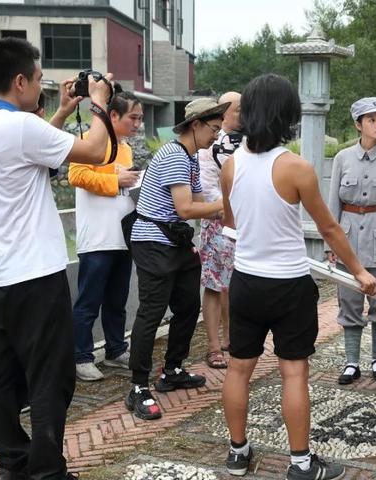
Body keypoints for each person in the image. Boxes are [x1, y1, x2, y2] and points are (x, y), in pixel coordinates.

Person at [0, 37, 115, 480]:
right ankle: (48, 472)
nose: (40, 85)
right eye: (37, 79)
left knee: (6, 377)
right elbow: (97, 152)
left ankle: (13, 463)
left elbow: (32, 145)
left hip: (2, 277)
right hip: (39, 276)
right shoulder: (22, 129)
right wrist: (99, 104)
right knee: (52, 377)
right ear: (19, 80)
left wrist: (65, 111)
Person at [220, 74, 376, 480]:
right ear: (287, 116)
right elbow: (329, 228)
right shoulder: (296, 168)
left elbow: (231, 221)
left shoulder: (231, 166)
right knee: (294, 371)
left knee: (239, 368)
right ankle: (301, 464)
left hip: (246, 281)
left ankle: (238, 454)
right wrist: (359, 272)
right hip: (289, 284)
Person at [125, 98, 228, 421]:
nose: (216, 136)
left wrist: (225, 202)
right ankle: (138, 386)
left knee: (187, 306)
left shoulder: (193, 158)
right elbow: (186, 209)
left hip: (177, 241)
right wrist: (228, 204)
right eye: (213, 129)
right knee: (152, 312)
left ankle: (172, 370)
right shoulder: (173, 157)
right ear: (195, 126)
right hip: (153, 242)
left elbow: (200, 201)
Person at [326, 97, 376, 385]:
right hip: (347, 240)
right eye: (372, 120)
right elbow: (332, 205)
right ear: (358, 125)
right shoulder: (342, 159)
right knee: (349, 301)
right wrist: (331, 245)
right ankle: (351, 362)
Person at [68, 91, 143, 381]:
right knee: (89, 300)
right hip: (97, 238)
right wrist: (116, 180)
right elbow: (76, 175)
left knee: (117, 299)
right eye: (132, 117)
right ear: (113, 116)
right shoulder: (89, 140)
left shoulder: (124, 148)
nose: (137, 124)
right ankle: (82, 356)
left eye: (140, 119)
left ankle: (115, 350)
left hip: (122, 234)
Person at [197, 91, 242, 369]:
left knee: (236, 285)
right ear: (223, 113)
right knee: (214, 286)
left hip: (245, 225)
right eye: (238, 110)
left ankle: (232, 337)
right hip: (217, 225)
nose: (243, 115)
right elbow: (206, 190)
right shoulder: (208, 146)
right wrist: (233, 209)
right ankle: (214, 345)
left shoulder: (250, 143)